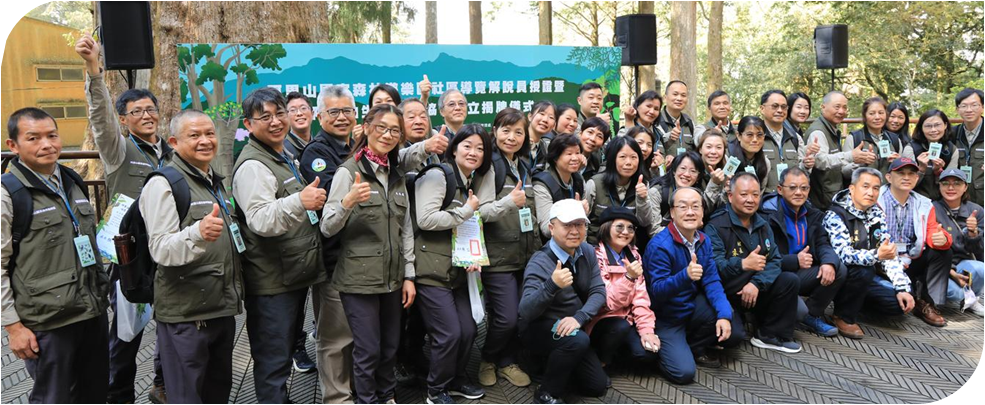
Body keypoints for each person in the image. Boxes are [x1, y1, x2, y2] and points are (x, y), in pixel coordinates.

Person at [75, 32, 167, 404]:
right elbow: (100, 118)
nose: (146, 116)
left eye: (150, 109)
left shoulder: (171, 152)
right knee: (127, 333)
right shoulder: (119, 149)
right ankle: (118, 395)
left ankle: (162, 385)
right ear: (124, 120)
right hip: (128, 256)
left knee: (170, 323)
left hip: (166, 249)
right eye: (136, 112)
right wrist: (93, 70)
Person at [2, 108, 111, 403]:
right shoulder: (8, 194)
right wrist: (14, 327)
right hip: (47, 322)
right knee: (54, 397)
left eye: (52, 136)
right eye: (33, 138)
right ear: (13, 145)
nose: (46, 144)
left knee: (95, 393)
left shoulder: (71, 180)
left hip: (91, 311)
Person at [139, 110, 243, 403]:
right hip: (187, 314)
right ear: (173, 142)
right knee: (187, 395)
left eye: (209, 133)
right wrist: (197, 233)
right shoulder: (164, 184)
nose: (205, 141)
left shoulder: (212, 179)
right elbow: (160, 249)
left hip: (220, 307)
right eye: (194, 135)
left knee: (216, 392)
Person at [232, 88, 328, 403]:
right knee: (273, 360)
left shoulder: (281, 153)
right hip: (271, 282)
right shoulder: (253, 166)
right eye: (265, 117)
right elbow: (261, 220)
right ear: (248, 124)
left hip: (290, 275)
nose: (275, 122)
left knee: (283, 353)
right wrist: (300, 201)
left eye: (279, 113)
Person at [319, 104, 417, 404]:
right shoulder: (348, 172)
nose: (388, 135)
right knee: (368, 349)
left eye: (395, 131)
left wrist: (409, 276)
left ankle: (387, 396)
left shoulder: (396, 174)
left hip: (393, 278)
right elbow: (327, 226)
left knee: (390, 346)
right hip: (358, 280)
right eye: (382, 128)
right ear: (367, 128)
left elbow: (406, 229)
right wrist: (347, 202)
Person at [414, 124, 492, 404]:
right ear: (454, 148)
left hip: (456, 270)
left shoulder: (467, 181)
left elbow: (466, 228)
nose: (474, 152)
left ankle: (456, 379)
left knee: (468, 330)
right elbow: (425, 219)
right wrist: (465, 211)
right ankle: (436, 390)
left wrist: (473, 257)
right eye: (467, 146)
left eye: (480, 148)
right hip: (430, 269)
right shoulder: (438, 175)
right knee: (448, 333)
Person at [298, 85, 358, 403]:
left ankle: (354, 390)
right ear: (320, 116)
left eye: (347, 110)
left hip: (361, 259)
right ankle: (336, 397)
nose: (341, 117)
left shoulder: (355, 147)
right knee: (335, 336)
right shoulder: (316, 153)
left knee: (357, 333)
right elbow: (337, 193)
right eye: (333, 111)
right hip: (334, 259)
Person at [518, 199, 608, 404]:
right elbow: (525, 311)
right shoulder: (540, 261)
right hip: (540, 327)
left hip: (573, 326)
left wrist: (579, 318)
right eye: (567, 225)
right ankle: (546, 392)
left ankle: (554, 363)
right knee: (578, 341)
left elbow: (598, 291)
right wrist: (552, 285)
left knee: (597, 386)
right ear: (551, 228)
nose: (575, 231)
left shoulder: (586, 251)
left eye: (579, 224)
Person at [474, 108, 538, 388]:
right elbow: (480, 212)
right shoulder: (490, 166)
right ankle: (487, 358)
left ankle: (506, 362)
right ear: (495, 131)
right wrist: (509, 202)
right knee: (506, 317)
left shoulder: (522, 165)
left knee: (520, 315)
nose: (511, 137)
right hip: (498, 256)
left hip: (524, 255)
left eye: (518, 132)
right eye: (506, 130)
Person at [645, 187, 737, 382]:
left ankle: (691, 346)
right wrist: (684, 276)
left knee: (732, 328)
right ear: (672, 212)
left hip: (690, 307)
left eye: (696, 206)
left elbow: (712, 281)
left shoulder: (703, 240)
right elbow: (656, 292)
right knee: (683, 373)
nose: (690, 212)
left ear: (703, 211)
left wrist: (724, 315)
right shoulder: (660, 246)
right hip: (665, 317)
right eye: (683, 207)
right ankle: (666, 352)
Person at [705, 172, 802, 353]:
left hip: (754, 289)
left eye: (755, 194)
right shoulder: (716, 226)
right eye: (744, 194)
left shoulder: (762, 224)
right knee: (733, 337)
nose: (750, 200)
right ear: (730, 196)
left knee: (790, 281)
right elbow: (714, 267)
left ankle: (768, 335)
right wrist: (742, 264)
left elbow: (775, 260)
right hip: (727, 293)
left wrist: (756, 283)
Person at [760, 167, 855, 337]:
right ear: (780, 189)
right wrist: (794, 260)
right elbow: (764, 258)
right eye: (792, 187)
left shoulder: (812, 214)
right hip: (776, 274)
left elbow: (823, 243)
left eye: (804, 188)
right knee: (797, 311)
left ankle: (811, 315)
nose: (799, 192)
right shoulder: (766, 215)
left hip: (801, 272)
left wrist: (828, 263)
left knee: (838, 268)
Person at [822, 167, 916, 339]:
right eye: (865, 186)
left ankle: (858, 303)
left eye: (875, 188)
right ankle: (843, 316)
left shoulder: (877, 214)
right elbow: (843, 255)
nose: (871, 193)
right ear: (852, 188)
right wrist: (877, 255)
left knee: (898, 303)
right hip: (837, 276)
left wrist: (902, 288)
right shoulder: (835, 215)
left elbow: (889, 254)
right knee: (864, 270)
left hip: (867, 275)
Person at [878, 158, 954, 326]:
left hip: (910, 258)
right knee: (894, 305)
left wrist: (943, 239)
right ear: (889, 177)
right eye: (901, 173)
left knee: (943, 251)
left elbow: (933, 231)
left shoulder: (924, 203)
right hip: (882, 261)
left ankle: (928, 303)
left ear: (917, 178)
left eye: (911, 173)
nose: (906, 177)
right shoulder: (875, 198)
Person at [586, 207, 660, 368]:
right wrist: (629, 278)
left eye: (630, 228)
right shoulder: (595, 255)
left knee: (647, 354)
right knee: (619, 328)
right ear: (606, 228)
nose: (625, 232)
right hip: (601, 320)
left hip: (626, 318)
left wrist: (647, 331)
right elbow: (607, 302)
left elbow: (641, 298)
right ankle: (599, 361)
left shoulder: (634, 255)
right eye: (619, 227)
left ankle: (613, 356)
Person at [807, 91, 875, 211]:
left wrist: (860, 161)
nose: (841, 111)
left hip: (832, 196)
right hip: (822, 201)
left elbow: (841, 167)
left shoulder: (832, 130)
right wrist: (850, 155)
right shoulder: (818, 132)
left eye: (844, 107)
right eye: (837, 107)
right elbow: (820, 161)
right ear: (823, 107)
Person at [584, 137, 653, 246]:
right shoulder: (594, 184)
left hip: (626, 247)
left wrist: (642, 199)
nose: (628, 162)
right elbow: (583, 221)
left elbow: (644, 222)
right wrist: (585, 250)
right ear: (612, 159)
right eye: (622, 157)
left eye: (634, 157)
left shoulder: (642, 184)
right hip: (596, 246)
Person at [934, 169, 984, 316]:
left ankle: (972, 298)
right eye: (945, 183)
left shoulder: (976, 211)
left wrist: (973, 233)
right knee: (954, 293)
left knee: (981, 269)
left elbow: (979, 250)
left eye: (957, 183)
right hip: (939, 265)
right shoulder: (931, 208)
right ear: (939, 186)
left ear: (965, 187)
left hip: (963, 262)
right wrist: (950, 272)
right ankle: (932, 295)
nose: (951, 188)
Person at [533, 134, 588, 238]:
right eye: (569, 154)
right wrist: (573, 210)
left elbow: (584, 223)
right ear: (555, 158)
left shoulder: (578, 180)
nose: (575, 158)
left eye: (577, 153)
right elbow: (547, 229)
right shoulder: (542, 184)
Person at [844, 97, 913, 174]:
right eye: (872, 113)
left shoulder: (894, 139)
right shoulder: (854, 138)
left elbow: (902, 173)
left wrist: (899, 162)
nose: (877, 117)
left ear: (886, 115)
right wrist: (859, 163)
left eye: (881, 113)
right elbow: (844, 171)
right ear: (865, 115)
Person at [647, 151, 708, 234]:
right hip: (664, 240)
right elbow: (654, 230)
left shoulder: (698, 195)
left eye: (693, 171)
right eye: (683, 168)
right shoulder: (656, 192)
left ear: (698, 177)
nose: (686, 174)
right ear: (674, 171)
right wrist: (684, 234)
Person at [759, 90, 805, 188]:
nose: (780, 110)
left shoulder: (795, 138)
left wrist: (807, 164)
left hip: (790, 195)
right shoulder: (755, 137)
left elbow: (801, 171)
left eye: (784, 107)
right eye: (775, 106)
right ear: (762, 109)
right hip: (765, 195)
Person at [911, 109, 958, 200]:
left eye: (937, 125)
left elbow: (950, 185)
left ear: (945, 125)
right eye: (928, 126)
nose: (933, 130)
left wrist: (938, 172)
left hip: (942, 201)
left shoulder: (951, 150)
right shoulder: (912, 148)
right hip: (915, 200)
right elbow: (907, 184)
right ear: (921, 128)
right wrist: (921, 169)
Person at [952, 88, 984, 205]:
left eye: (974, 105)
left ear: (982, 107)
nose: (969, 110)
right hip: (961, 200)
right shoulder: (952, 134)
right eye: (964, 106)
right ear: (957, 109)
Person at [398, 98, 448, 172]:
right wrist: (425, 147)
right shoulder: (394, 147)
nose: (419, 121)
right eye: (411, 117)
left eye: (423, 117)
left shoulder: (433, 145)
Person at [728, 116, 774, 192]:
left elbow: (760, 192)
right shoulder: (728, 158)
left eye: (759, 135)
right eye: (749, 135)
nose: (755, 140)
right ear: (739, 136)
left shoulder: (765, 162)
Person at [656, 80, 696, 158]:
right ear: (665, 97)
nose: (679, 98)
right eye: (675, 94)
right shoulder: (656, 121)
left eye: (683, 95)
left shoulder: (689, 122)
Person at [697, 128, 729, 217]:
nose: (713, 152)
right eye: (709, 147)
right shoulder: (692, 170)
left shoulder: (726, 172)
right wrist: (714, 183)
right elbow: (701, 209)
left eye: (718, 147)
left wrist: (727, 191)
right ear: (700, 149)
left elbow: (721, 208)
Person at [527, 100, 558, 173]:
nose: (545, 120)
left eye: (551, 117)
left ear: (554, 125)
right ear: (530, 116)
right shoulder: (517, 143)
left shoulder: (546, 148)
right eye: (542, 114)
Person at [284, 91, 315, 158]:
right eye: (293, 110)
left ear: (312, 114)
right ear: (286, 117)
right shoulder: (283, 149)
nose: (299, 113)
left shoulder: (320, 146)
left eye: (303, 108)